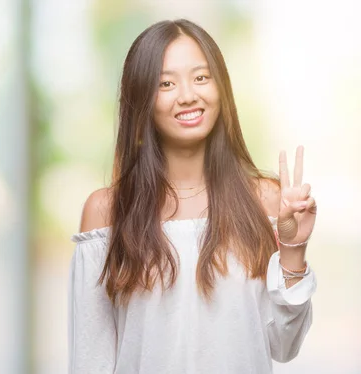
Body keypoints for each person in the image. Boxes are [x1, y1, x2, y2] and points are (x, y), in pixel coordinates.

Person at [67, 19, 317, 374]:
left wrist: (294, 250)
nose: (188, 94)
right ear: (141, 99)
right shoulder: (107, 210)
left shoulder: (264, 199)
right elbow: (90, 358)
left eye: (201, 77)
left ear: (221, 88)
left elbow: (284, 346)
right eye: (166, 83)